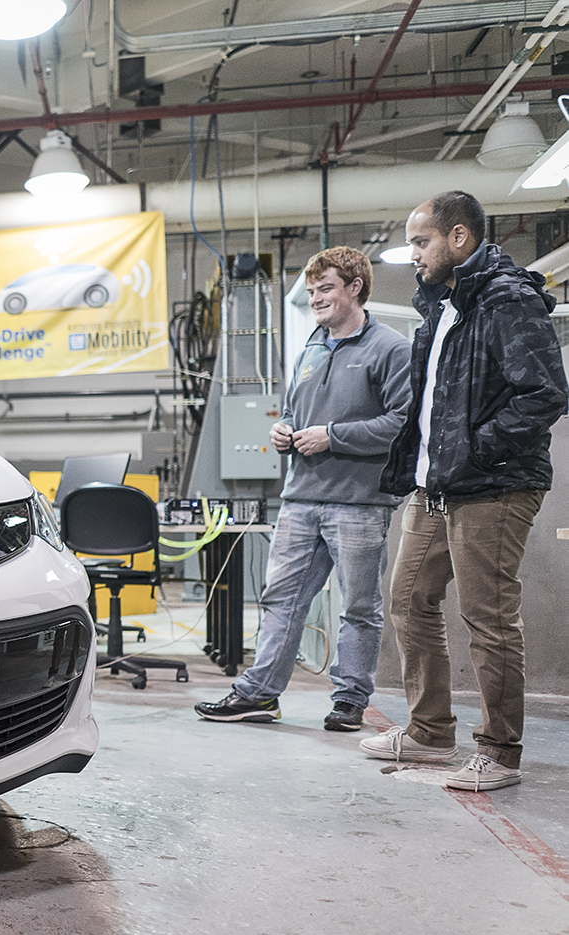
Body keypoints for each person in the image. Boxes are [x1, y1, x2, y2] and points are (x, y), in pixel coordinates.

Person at [359, 190, 568, 790]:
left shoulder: (507, 300)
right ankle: (429, 730)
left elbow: (545, 394)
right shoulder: (443, 308)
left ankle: (500, 752)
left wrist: (476, 450)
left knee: (488, 618)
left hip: (493, 487)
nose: (414, 254)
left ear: (459, 238)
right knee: (408, 599)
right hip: (436, 487)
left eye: (421, 242)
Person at [196, 247, 411, 729]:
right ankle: (259, 694)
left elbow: (402, 424)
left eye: (326, 289)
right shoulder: (312, 348)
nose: (315, 299)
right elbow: (295, 413)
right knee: (281, 600)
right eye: (311, 291)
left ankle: (350, 700)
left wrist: (332, 436)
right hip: (301, 500)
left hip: (359, 503)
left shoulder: (391, 349)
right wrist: (284, 430)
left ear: (355, 288)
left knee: (358, 607)